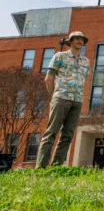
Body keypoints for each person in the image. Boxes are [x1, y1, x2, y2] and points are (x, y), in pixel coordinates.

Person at [36, 31, 90, 168]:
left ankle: (56, 167)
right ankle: (40, 168)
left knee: (67, 135)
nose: (80, 41)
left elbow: (84, 80)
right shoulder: (59, 56)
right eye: (77, 39)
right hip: (61, 97)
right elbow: (48, 79)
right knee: (51, 132)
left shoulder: (86, 61)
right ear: (70, 41)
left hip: (77, 100)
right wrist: (54, 96)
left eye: (82, 40)